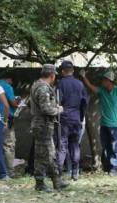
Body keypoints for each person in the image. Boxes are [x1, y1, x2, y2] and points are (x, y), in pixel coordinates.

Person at [30, 64, 69, 192]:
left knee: (46, 154)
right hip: (43, 125)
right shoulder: (43, 88)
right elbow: (46, 108)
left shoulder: (37, 85)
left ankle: (56, 181)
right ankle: (42, 183)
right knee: (46, 154)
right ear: (52, 76)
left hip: (42, 125)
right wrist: (58, 109)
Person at [81, 70, 117, 176]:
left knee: (115, 147)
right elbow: (90, 86)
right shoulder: (101, 91)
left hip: (116, 125)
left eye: (104, 80)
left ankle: (114, 169)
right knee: (106, 146)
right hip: (104, 124)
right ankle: (107, 168)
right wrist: (83, 76)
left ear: (110, 81)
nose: (102, 82)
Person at [56, 61, 88, 181]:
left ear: (63, 71)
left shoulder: (60, 84)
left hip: (64, 118)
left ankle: (58, 173)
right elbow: (85, 103)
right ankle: (75, 172)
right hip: (76, 118)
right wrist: (80, 117)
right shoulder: (80, 84)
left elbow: (58, 102)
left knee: (62, 146)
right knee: (75, 145)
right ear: (73, 70)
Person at [0, 72, 20, 177]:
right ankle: (10, 172)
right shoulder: (7, 86)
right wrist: (18, 101)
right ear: (9, 79)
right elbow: (13, 103)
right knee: (9, 144)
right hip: (5, 118)